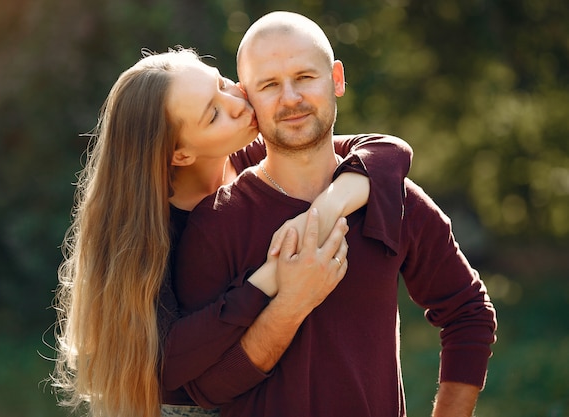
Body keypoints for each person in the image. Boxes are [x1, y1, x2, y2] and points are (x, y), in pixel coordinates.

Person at [51, 47, 414, 417]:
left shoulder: (258, 160)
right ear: (180, 154)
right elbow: (166, 361)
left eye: (222, 83)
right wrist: (270, 279)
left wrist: (326, 209)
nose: (239, 102)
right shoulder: (150, 231)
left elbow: (387, 152)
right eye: (214, 114)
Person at [174, 11, 497, 417]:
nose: (290, 98)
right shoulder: (214, 223)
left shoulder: (392, 200)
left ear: (337, 79)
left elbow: (469, 313)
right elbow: (205, 389)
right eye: (269, 85)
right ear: (248, 98)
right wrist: (288, 307)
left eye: (305, 77)